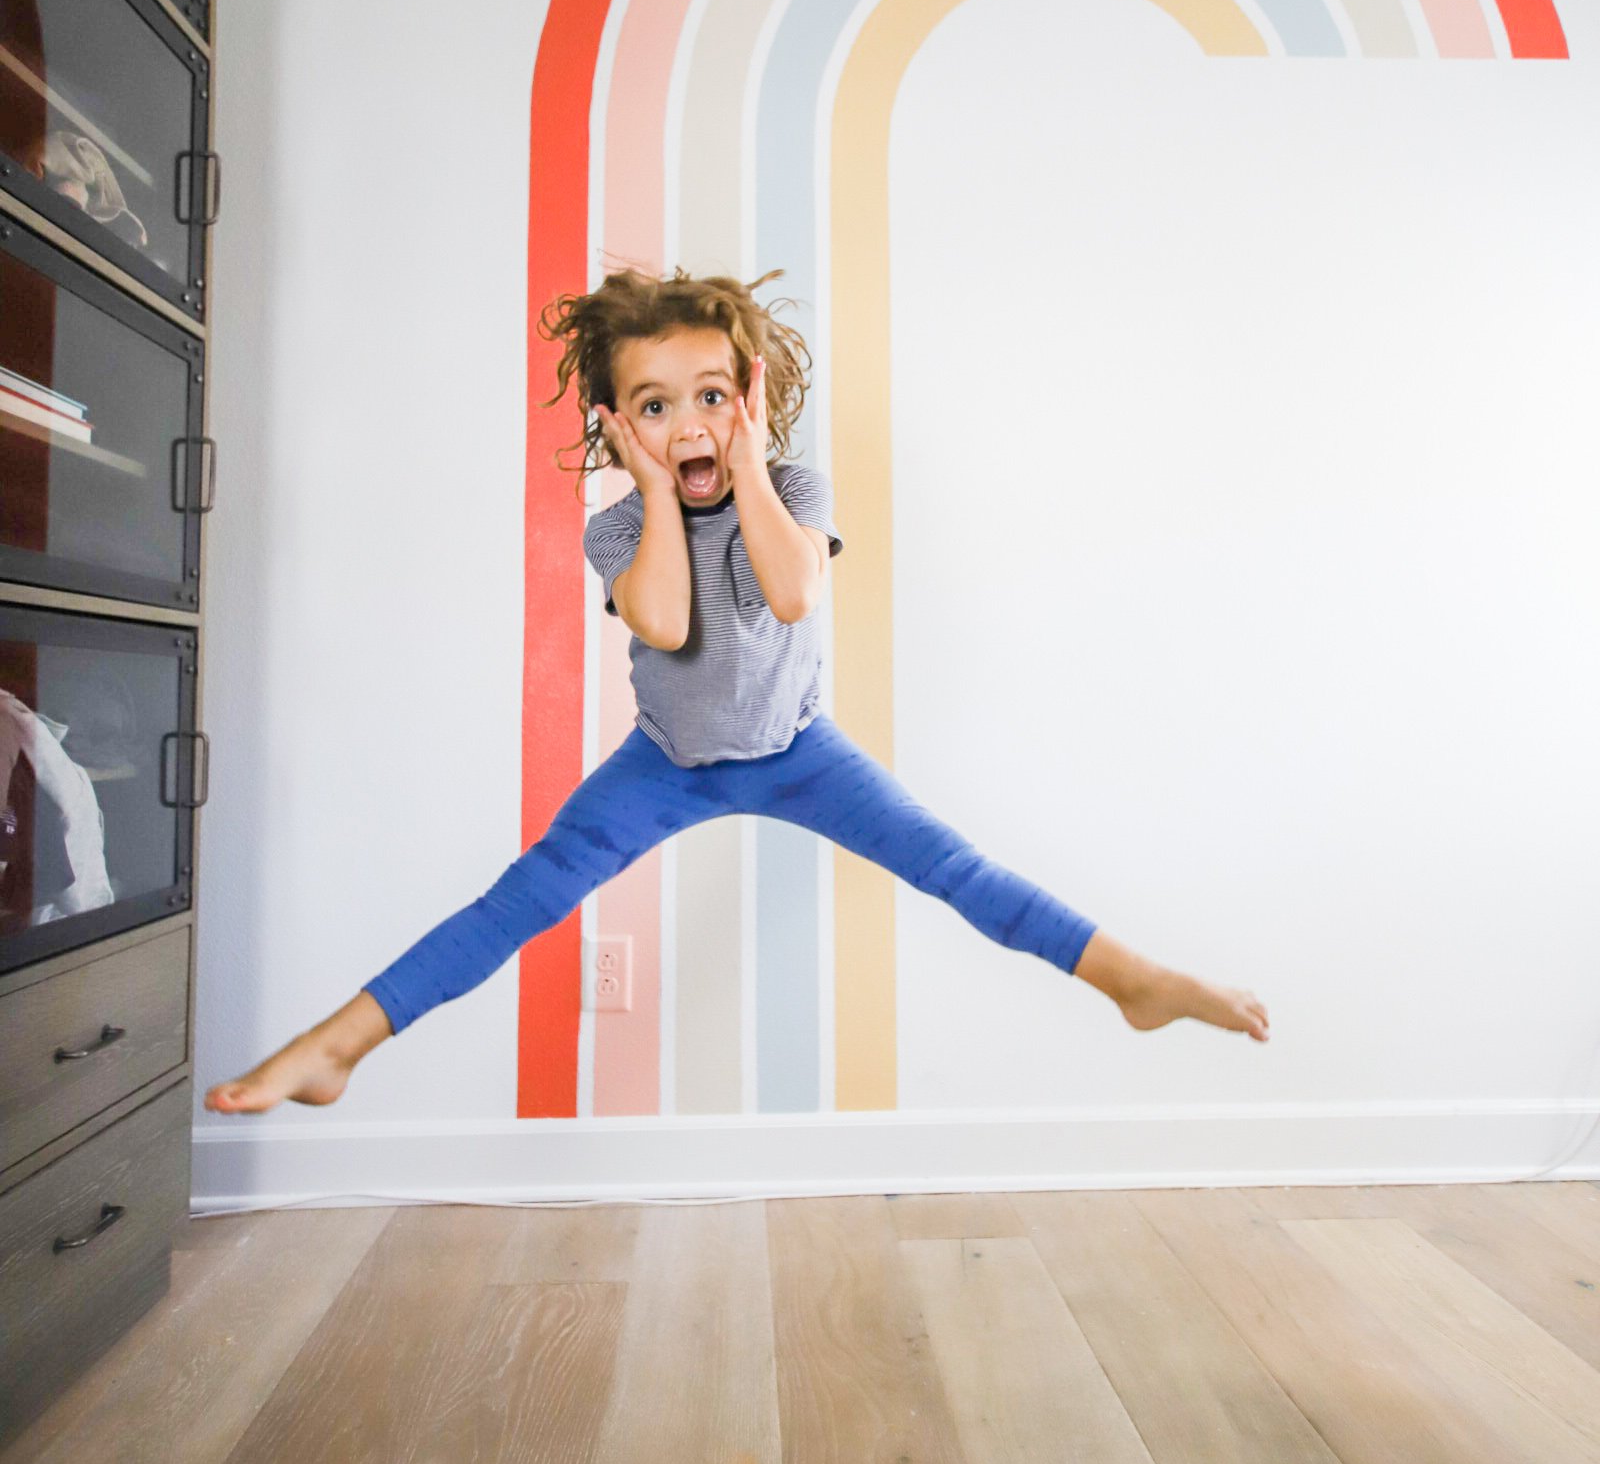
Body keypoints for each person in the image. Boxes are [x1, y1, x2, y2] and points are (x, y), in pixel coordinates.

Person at [205, 264, 1268, 1116]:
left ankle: (1131, 980)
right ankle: (332, 1048)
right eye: (654, 406)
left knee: (954, 867)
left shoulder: (791, 489)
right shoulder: (618, 526)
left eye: (713, 397)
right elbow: (663, 620)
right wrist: (656, 489)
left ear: (754, 401)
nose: (690, 424)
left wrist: (748, 465)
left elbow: (796, 592)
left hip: (803, 755)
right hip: (664, 765)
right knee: (521, 897)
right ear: (617, 424)